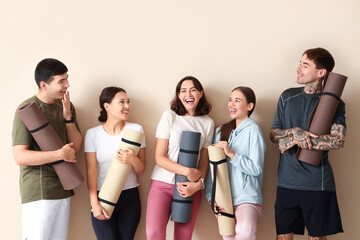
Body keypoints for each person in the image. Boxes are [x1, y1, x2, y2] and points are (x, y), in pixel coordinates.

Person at [270, 47, 345, 240]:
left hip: (318, 184)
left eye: (305, 65)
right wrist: (295, 132)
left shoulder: (335, 103)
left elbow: (338, 141)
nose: (298, 68)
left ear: (321, 73)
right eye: (300, 63)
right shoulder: (287, 96)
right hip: (286, 182)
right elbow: (273, 134)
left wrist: (298, 140)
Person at [12, 58, 83, 240]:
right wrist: (59, 154)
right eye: (61, 81)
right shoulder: (26, 109)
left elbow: (76, 147)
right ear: (44, 84)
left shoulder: (66, 106)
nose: (67, 85)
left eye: (67, 79)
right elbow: (20, 156)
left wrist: (68, 117)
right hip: (39, 190)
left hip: (63, 186)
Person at [146, 76, 214, 240]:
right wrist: (186, 171)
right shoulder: (169, 116)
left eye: (193, 90)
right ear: (178, 95)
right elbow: (159, 158)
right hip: (162, 185)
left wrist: (199, 184)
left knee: (183, 237)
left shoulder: (208, 123)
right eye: (183, 90)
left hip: (190, 188)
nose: (188, 94)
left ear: (200, 93)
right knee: (153, 233)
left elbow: (204, 161)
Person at [84, 87, 146, 240]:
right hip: (103, 197)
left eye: (128, 102)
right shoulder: (92, 134)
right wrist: (94, 203)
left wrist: (132, 160)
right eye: (122, 102)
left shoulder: (136, 130)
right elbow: (91, 172)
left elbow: (141, 170)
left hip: (129, 197)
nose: (127, 106)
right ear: (107, 106)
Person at [205, 86, 266, 240]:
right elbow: (212, 170)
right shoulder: (220, 132)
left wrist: (232, 154)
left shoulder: (253, 130)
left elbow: (256, 168)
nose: (231, 104)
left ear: (249, 106)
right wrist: (212, 198)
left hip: (247, 198)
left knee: (245, 233)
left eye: (237, 101)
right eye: (230, 100)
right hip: (224, 200)